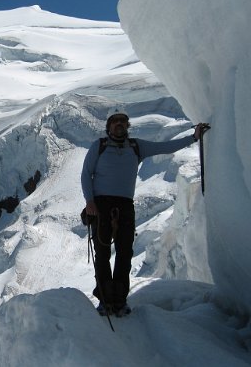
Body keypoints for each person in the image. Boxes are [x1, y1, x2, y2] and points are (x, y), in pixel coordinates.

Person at [81, 107, 208, 316]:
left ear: (127, 126)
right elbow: (86, 175)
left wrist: (193, 138)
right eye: (115, 121)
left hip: (124, 205)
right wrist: (89, 202)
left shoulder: (136, 146)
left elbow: (165, 147)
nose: (119, 124)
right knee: (102, 254)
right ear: (109, 126)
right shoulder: (100, 146)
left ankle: (119, 300)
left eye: (123, 121)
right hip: (101, 205)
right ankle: (106, 299)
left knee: (124, 253)